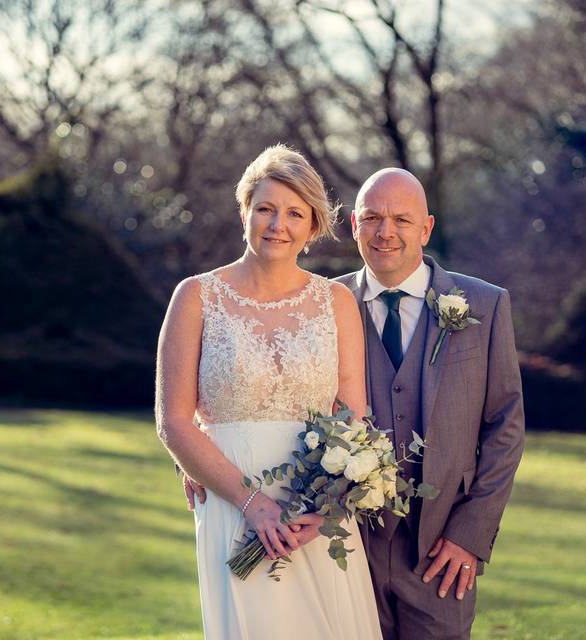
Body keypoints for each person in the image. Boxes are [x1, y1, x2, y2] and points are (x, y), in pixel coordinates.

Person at [155, 145, 383, 640]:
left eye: (295, 213)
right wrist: (252, 502)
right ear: (245, 211)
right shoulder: (196, 297)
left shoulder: (337, 302)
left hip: (314, 516)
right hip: (231, 503)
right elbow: (172, 421)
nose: (278, 223)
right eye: (266, 208)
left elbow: (352, 415)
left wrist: (320, 509)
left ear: (313, 226)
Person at [333, 168, 525, 639]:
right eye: (372, 218)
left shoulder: (484, 304)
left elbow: (505, 427)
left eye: (402, 219)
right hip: (346, 547)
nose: (386, 232)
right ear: (354, 225)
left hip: (442, 548)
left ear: (427, 228)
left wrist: (470, 534)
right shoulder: (323, 305)